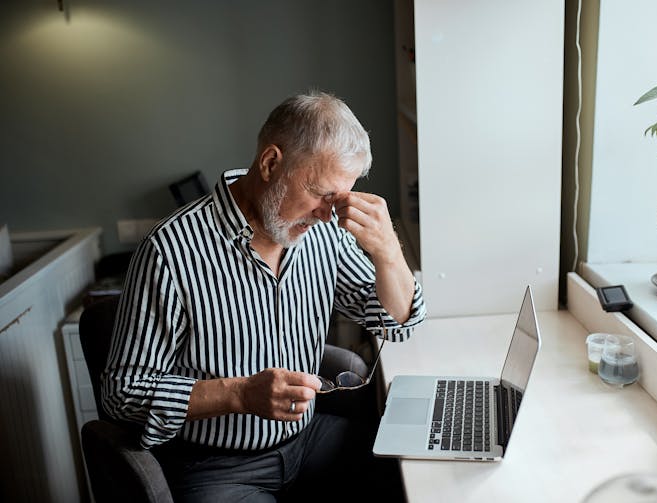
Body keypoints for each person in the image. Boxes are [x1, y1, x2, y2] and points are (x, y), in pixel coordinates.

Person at [101, 90, 426, 502]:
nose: (328, 214)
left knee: (408, 481)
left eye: (338, 199)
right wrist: (238, 394)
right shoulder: (170, 250)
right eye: (321, 193)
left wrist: (388, 252)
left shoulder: (323, 232)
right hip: (214, 466)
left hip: (308, 440)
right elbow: (121, 394)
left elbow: (399, 322)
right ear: (271, 163)